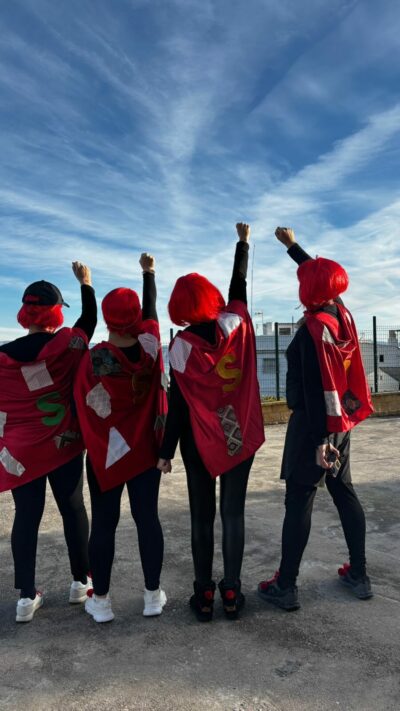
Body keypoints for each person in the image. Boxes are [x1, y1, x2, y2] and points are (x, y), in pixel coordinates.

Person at [258, 227, 374, 611]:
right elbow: (320, 276)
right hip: (340, 421)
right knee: (344, 491)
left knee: (299, 499)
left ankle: (286, 586)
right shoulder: (341, 315)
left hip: (314, 428)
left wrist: (319, 442)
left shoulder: (313, 330)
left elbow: (313, 390)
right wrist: (292, 246)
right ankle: (359, 573)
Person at [157, 223, 265, 621]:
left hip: (197, 439)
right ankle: (232, 591)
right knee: (233, 513)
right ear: (212, 299)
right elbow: (239, 288)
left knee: (201, 517)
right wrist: (243, 243)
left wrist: (166, 452)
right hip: (236, 430)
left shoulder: (180, 346)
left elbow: (177, 405)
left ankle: (203, 595)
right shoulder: (235, 323)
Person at [74, 253, 168, 623]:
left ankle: (101, 602)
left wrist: (86, 285)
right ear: (137, 318)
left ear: (107, 318)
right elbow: (152, 313)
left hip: (106, 455)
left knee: (103, 524)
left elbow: (85, 405)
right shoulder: (151, 348)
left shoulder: (94, 359)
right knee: (148, 519)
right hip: (146, 452)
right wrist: (148, 273)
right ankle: (152, 596)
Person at [0, 262, 96, 622]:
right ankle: (81, 581)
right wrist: (86, 283)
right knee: (73, 508)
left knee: (26, 516)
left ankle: (26, 597)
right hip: (62, 444)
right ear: (56, 312)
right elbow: (89, 322)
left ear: (25, 313)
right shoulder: (67, 347)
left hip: (21, 450)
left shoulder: (3, 357)